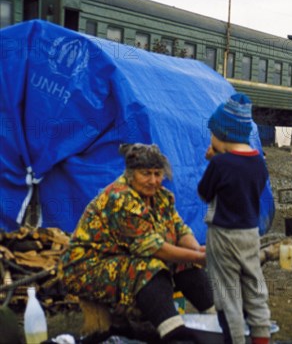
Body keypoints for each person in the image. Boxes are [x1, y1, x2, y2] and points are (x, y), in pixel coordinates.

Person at [61, 143, 213, 343]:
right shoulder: (120, 198)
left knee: (185, 261)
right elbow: (152, 247)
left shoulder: (161, 197)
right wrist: (201, 257)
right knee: (147, 266)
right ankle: (173, 332)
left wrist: (197, 250)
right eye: (146, 174)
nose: (153, 180)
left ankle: (216, 320)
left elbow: (178, 228)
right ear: (131, 174)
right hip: (87, 268)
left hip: (122, 258)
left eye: (157, 174)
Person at [197, 93, 271, 344]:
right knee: (255, 289)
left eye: (212, 133)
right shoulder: (259, 163)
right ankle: (261, 337)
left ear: (222, 135)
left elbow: (204, 193)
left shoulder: (220, 164)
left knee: (228, 296)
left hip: (223, 235)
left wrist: (213, 160)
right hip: (250, 234)